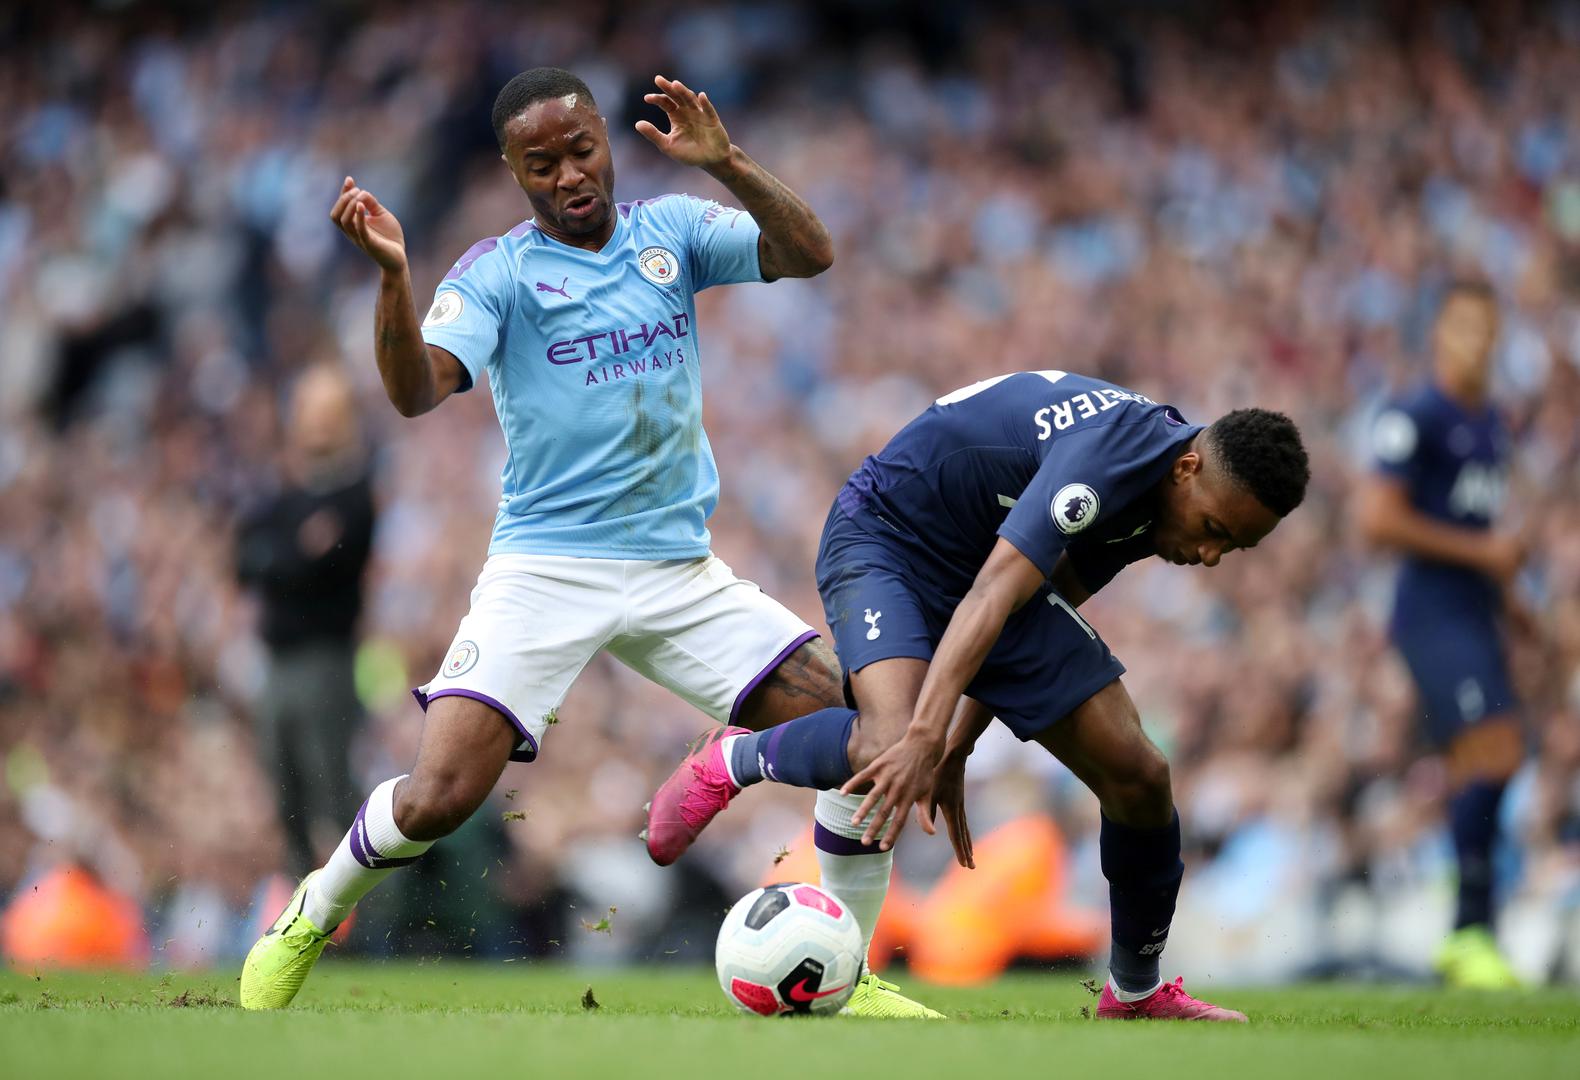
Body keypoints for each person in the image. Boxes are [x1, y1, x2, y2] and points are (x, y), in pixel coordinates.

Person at [240, 67, 937, 1019]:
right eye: (542, 164)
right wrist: (395, 278)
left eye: (580, 150)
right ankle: (310, 914)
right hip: (547, 569)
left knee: (865, 734)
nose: (569, 174)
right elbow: (413, 391)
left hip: (677, 570)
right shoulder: (496, 272)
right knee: (439, 796)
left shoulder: (673, 231)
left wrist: (728, 163)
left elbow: (810, 252)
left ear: (605, 139)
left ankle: (848, 976)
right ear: (513, 172)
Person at [647, 370, 1311, 1022]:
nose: (1210, 553)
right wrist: (927, 735)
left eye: (1233, 546)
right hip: (889, 538)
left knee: (1139, 772)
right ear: (1188, 468)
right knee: (889, 741)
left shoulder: (1157, 495)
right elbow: (994, 592)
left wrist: (957, 743)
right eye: (1214, 528)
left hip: (986, 571)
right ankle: (732, 760)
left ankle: (1135, 993)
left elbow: (1038, 600)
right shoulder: (1105, 466)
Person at [1357, 281, 1525, 989]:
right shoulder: (1414, 414)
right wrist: (1483, 553)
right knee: (1498, 748)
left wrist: (1519, 611)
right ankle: (1469, 929)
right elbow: (1376, 520)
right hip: (1431, 615)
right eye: (1462, 327)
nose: (1475, 342)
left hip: (1476, 613)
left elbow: (1483, 533)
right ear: (1439, 334)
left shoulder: (1492, 424)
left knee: (1481, 763)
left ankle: (1468, 933)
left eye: (1486, 328)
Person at [236, 364, 376, 880]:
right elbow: (246, 559)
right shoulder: (287, 498)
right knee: (284, 785)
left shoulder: (352, 495)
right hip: (278, 661)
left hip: (325, 658)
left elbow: (308, 564)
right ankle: (302, 898)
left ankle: (364, 910)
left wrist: (280, 560)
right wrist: (290, 556)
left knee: (330, 785)